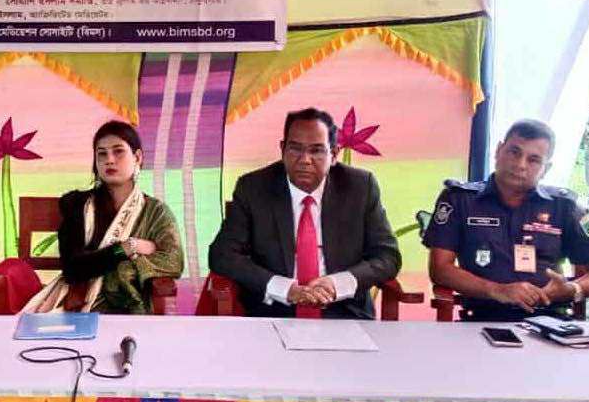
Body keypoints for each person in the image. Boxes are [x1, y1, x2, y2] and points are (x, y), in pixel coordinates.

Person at [208, 107, 400, 319]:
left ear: (334, 154)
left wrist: (337, 284)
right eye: (295, 149)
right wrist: (284, 288)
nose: (305, 160)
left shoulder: (360, 187)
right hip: (273, 312)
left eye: (316, 151)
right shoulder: (254, 188)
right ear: (282, 149)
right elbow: (222, 255)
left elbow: (387, 256)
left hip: (344, 312)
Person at [424, 119, 589, 322]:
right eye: (514, 152)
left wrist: (572, 289)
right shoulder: (460, 200)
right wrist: (497, 290)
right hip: (482, 319)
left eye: (533, 160)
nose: (520, 165)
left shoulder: (563, 207)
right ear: (498, 151)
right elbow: (440, 269)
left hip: (549, 321)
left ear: (546, 168)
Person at [24, 120, 183, 314]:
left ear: (137, 157)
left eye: (118, 151)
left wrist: (126, 271)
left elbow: (173, 261)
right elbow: (73, 270)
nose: (109, 160)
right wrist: (127, 248)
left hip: (130, 307)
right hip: (77, 305)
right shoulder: (77, 205)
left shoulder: (155, 212)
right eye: (102, 154)